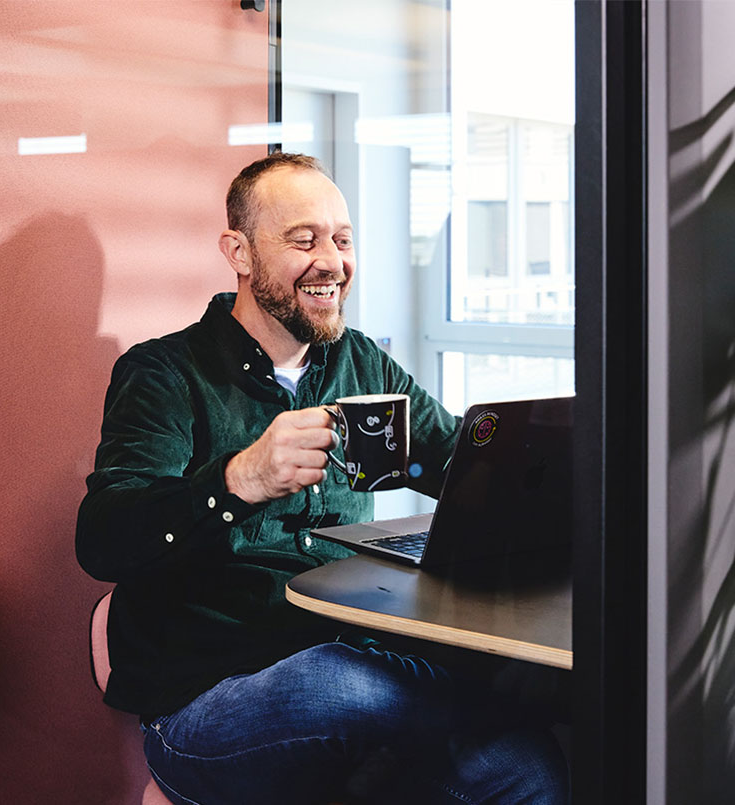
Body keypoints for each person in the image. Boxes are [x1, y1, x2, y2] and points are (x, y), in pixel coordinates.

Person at [76, 152, 569, 804]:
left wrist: (548, 479)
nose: (332, 262)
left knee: (529, 770)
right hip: (210, 698)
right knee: (339, 683)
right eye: (303, 239)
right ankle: (469, 710)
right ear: (240, 253)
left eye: (342, 239)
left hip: (355, 684)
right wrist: (239, 477)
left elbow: (458, 469)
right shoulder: (165, 373)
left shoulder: (363, 363)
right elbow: (105, 539)